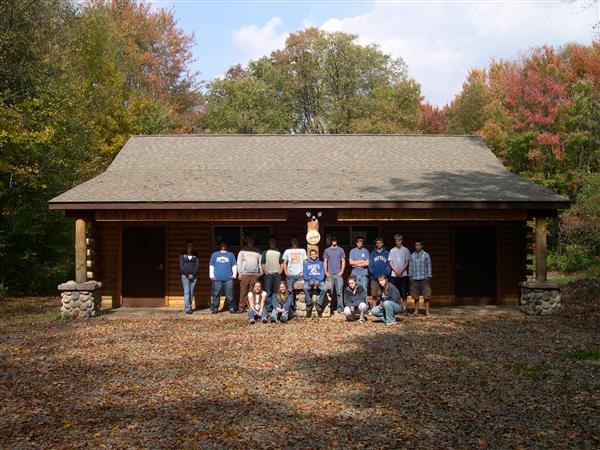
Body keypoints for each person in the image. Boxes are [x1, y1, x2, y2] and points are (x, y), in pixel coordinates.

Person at [209, 241, 237, 313]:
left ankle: (231, 307)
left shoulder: (230, 254)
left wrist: (234, 274)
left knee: (230, 293)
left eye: (225, 244)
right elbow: (211, 265)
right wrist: (211, 275)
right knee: (216, 294)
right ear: (220, 245)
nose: (223, 246)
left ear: (226, 245)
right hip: (217, 278)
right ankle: (215, 307)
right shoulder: (215, 254)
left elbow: (234, 265)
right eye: (222, 244)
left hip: (228, 278)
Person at [237, 236, 263, 312]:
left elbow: (260, 262)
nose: (250, 242)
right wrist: (240, 273)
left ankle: (251, 307)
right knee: (243, 291)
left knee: (253, 291)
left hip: (255, 274)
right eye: (249, 241)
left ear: (254, 242)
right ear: (247, 242)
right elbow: (239, 262)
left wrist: (260, 272)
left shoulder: (257, 251)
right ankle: (241, 307)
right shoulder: (243, 251)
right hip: (245, 274)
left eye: (252, 241)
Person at [408, 240, 432, 317]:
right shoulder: (412, 255)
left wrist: (429, 276)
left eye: (419, 245)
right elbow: (410, 266)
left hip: (424, 278)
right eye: (416, 245)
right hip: (415, 278)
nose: (417, 246)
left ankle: (427, 312)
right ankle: (416, 311)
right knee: (415, 296)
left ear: (422, 246)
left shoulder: (426, 255)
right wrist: (410, 276)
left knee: (426, 296)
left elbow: (429, 266)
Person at [388, 234, 411, 315]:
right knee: (394, 292)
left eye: (399, 240)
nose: (397, 242)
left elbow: (407, 262)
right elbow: (390, 262)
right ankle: (395, 309)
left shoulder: (406, 250)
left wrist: (401, 271)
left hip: (403, 275)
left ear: (402, 241)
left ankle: (404, 309)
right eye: (396, 241)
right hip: (394, 275)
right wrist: (396, 271)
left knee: (403, 293)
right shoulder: (392, 250)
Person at [323, 235, 346, 314]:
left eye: (335, 239)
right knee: (330, 292)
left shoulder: (341, 250)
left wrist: (342, 271)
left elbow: (343, 261)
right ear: (330, 241)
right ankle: (330, 308)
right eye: (332, 240)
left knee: (339, 292)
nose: (334, 241)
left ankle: (340, 308)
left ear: (337, 240)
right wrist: (326, 272)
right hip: (330, 275)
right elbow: (325, 261)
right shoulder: (327, 250)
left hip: (338, 274)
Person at [261, 236, 283, 311]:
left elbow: (281, 261)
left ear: (275, 242)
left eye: (273, 241)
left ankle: (276, 305)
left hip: (277, 274)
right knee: (268, 292)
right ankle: (268, 306)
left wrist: (281, 269)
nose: (272, 242)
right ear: (269, 242)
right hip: (268, 274)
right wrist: (265, 271)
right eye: (271, 241)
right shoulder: (265, 252)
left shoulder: (279, 251)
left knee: (277, 291)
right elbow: (262, 262)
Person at [303, 248, 326, 316]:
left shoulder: (321, 263)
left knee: (324, 288)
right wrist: (310, 280)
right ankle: (309, 303)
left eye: (314, 254)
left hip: (319, 280)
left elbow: (322, 273)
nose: (313, 255)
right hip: (309, 280)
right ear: (310, 256)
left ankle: (319, 304)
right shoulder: (306, 264)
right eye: (312, 254)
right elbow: (305, 274)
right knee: (305, 287)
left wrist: (318, 280)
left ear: (317, 255)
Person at [179, 240, 199, 314]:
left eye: (191, 245)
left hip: (194, 276)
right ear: (186, 246)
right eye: (188, 245)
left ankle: (189, 306)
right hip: (184, 276)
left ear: (192, 246)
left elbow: (197, 265)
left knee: (191, 292)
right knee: (186, 292)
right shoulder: (182, 254)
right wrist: (187, 275)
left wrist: (193, 274)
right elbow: (181, 266)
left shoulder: (195, 254)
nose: (190, 247)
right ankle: (187, 309)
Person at [369, 237, 391, 301]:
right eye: (377, 243)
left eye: (380, 243)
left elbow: (388, 264)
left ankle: (384, 308)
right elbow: (370, 266)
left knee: (385, 294)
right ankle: (374, 310)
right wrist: (374, 274)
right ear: (376, 244)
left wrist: (385, 274)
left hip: (384, 277)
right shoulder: (372, 253)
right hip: (374, 278)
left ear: (382, 244)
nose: (379, 244)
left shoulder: (386, 253)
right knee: (374, 295)